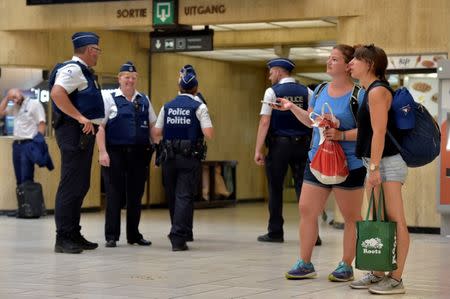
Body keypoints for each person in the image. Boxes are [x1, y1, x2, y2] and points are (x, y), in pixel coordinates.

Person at [276, 45, 366, 282]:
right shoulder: (320, 89)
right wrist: (292, 108)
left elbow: (370, 131)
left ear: (348, 66)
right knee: (307, 209)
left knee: (351, 217)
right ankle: (305, 263)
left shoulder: (360, 95)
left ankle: (346, 265)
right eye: (329, 58)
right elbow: (312, 121)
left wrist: (342, 134)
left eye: (334, 59)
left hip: (350, 164)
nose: (329, 62)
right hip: (317, 160)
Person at [348, 44, 408, 295]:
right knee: (378, 219)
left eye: (356, 59)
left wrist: (374, 169)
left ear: (370, 64)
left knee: (396, 220)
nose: (351, 63)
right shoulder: (367, 90)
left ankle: (396, 280)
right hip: (374, 162)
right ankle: (378, 273)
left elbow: (380, 133)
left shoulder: (377, 92)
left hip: (386, 163)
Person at [50, 32, 104, 254]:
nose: (99, 54)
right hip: (74, 133)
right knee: (71, 184)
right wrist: (80, 117)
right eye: (97, 50)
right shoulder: (73, 70)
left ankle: (73, 233)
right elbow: (57, 93)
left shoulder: (83, 72)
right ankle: (63, 237)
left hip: (83, 135)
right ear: (90, 50)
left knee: (80, 185)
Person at [152, 67, 214, 251]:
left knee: (173, 196)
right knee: (184, 196)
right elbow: (209, 133)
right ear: (196, 88)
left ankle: (180, 231)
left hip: (169, 156)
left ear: (179, 87)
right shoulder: (199, 106)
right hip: (189, 157)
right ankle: (179, 237)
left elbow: (157, 132)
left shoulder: (167, 106)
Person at [96, 61, 156, 248]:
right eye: (126, 77)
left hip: (139, 154)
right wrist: (102, 151)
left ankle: (134, 235)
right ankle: (111, 236)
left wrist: (158, 149)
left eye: (133, 77)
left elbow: (153, 127)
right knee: (114, 194)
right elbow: (100, 127)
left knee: (135, 195)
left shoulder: (144, 100)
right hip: (115, 153)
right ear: (119, 79)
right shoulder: (110, 98)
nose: (130, 80)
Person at [254, 58, 312, 243]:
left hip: (279, 146)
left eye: (271, 72)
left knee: (275, 188)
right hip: (303, 144)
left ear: (279, 72)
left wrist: (258, 149)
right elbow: (312, 120)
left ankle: (275, 232)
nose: (270, 76)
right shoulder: (307, 91)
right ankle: (313, 235)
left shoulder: (272, 91)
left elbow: (265, 121)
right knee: (305, 190)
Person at [0, 89, 49, 185]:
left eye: (15, 97)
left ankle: (29, 200)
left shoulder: (34, 104)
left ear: (19, 92)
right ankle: (23, 200)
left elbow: (42, 123)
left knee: (26, 178)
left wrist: (38, 144)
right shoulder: (14, 107)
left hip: (28, 144)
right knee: (19, 179)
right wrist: (7, 98)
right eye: (12, 99)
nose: (15, 100)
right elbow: (1, 112)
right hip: (16, 146)